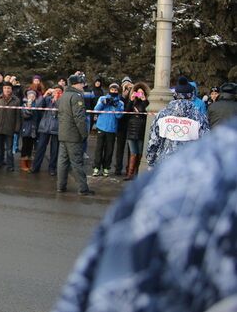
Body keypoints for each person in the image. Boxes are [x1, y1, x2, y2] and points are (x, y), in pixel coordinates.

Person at [52, 117, 237, 312]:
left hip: (169, 172)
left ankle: (63, 184)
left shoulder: (189, 177)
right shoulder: (210, 155)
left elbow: (105, 290)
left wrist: (151, 163)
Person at [146, 76, 210, 168]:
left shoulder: (162, 115)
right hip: (188, 167)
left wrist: (150, 163)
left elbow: (153, 141)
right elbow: (205, 144)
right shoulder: (199, 117)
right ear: (191, 95)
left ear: (175, 95)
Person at [57, 75, 94, 195]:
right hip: (73, 135)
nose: (83, 85)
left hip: (63, 133)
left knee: (62, 161)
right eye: (81, 83)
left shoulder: (63, 96)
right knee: (77, 162)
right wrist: (84, 134)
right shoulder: (76, 96)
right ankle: (83, 188)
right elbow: (79, 117)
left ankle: (60, 186)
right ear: (75, 84)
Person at [92, 83, 124, 177]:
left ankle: (106, 167)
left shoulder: (120, 102)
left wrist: (116, 105)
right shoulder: (102, 98)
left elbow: (119, 115)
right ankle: (96, 167)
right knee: (99, 148)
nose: (114, 91)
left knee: (109, 150)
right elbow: (96, 110)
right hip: (101, 127)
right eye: (112, 89)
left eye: (116, 90)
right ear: (109, 90)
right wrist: (103, 103)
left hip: (112, 128)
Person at [0, 81, 22, 171]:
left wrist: (17, 128)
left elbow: (18, 116)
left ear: (11, 89)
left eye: (9, 88)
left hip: (10, 128)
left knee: (9, 149)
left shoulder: (16, 100)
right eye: (5, 88)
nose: (7, 90)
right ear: (2, 89)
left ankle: (10, 165)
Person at [30, 86, 62, 175]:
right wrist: (45, 94)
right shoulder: (48, 99)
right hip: (45, 126)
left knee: (55, 150)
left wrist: (57, 100)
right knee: (40, 148)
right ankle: (35, 167)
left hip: (56, 127)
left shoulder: (63, 100)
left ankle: (52, 168)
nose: (57, 93)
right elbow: (38, 105)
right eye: (55, 91)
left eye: (59, 91)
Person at [123, 82, 150, 180]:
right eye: (138, 92)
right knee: (133, 152)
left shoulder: (146, 102)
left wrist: (144, 100)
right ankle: (130, 174)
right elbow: (126, 113)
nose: (139, 94)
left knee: (139, 152)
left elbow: (146, 112)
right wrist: (131, 100)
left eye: (141, 93)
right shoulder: (132, 101)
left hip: (141, 130)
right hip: (131, 129)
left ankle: (137, 173)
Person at [114, 76, 133, 175]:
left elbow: (142, 97)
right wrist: (123, 96)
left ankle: (129, 169)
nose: (127, 87)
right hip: (121, 124)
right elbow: (117, 105)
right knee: (120, 148)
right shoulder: (119, 95)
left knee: (131, 149)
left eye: (128, 84)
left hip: (131, 125)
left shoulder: (134, 94)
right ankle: (118, 169)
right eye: (124, 85)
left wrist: (132, 90)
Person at [19, 89, 39, 172]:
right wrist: (29, 107)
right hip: (26, 128)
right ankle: (23, 163)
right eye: (30, 96)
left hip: (33, 129)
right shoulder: (24, 104)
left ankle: (29, 162)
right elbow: (25, 115)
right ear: (27, 97)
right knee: (25, 146)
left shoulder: (37, 105)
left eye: (33, 96)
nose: (32, 97)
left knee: (31, 146)